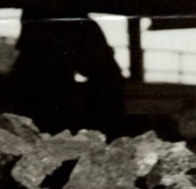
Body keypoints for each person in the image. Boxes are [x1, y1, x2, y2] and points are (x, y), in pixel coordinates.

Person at [7, 10, 127, 138]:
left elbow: (105, 71)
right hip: (45, 108)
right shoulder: (77, 26)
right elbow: (105, 71)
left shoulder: (77, 26)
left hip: (50, 109)